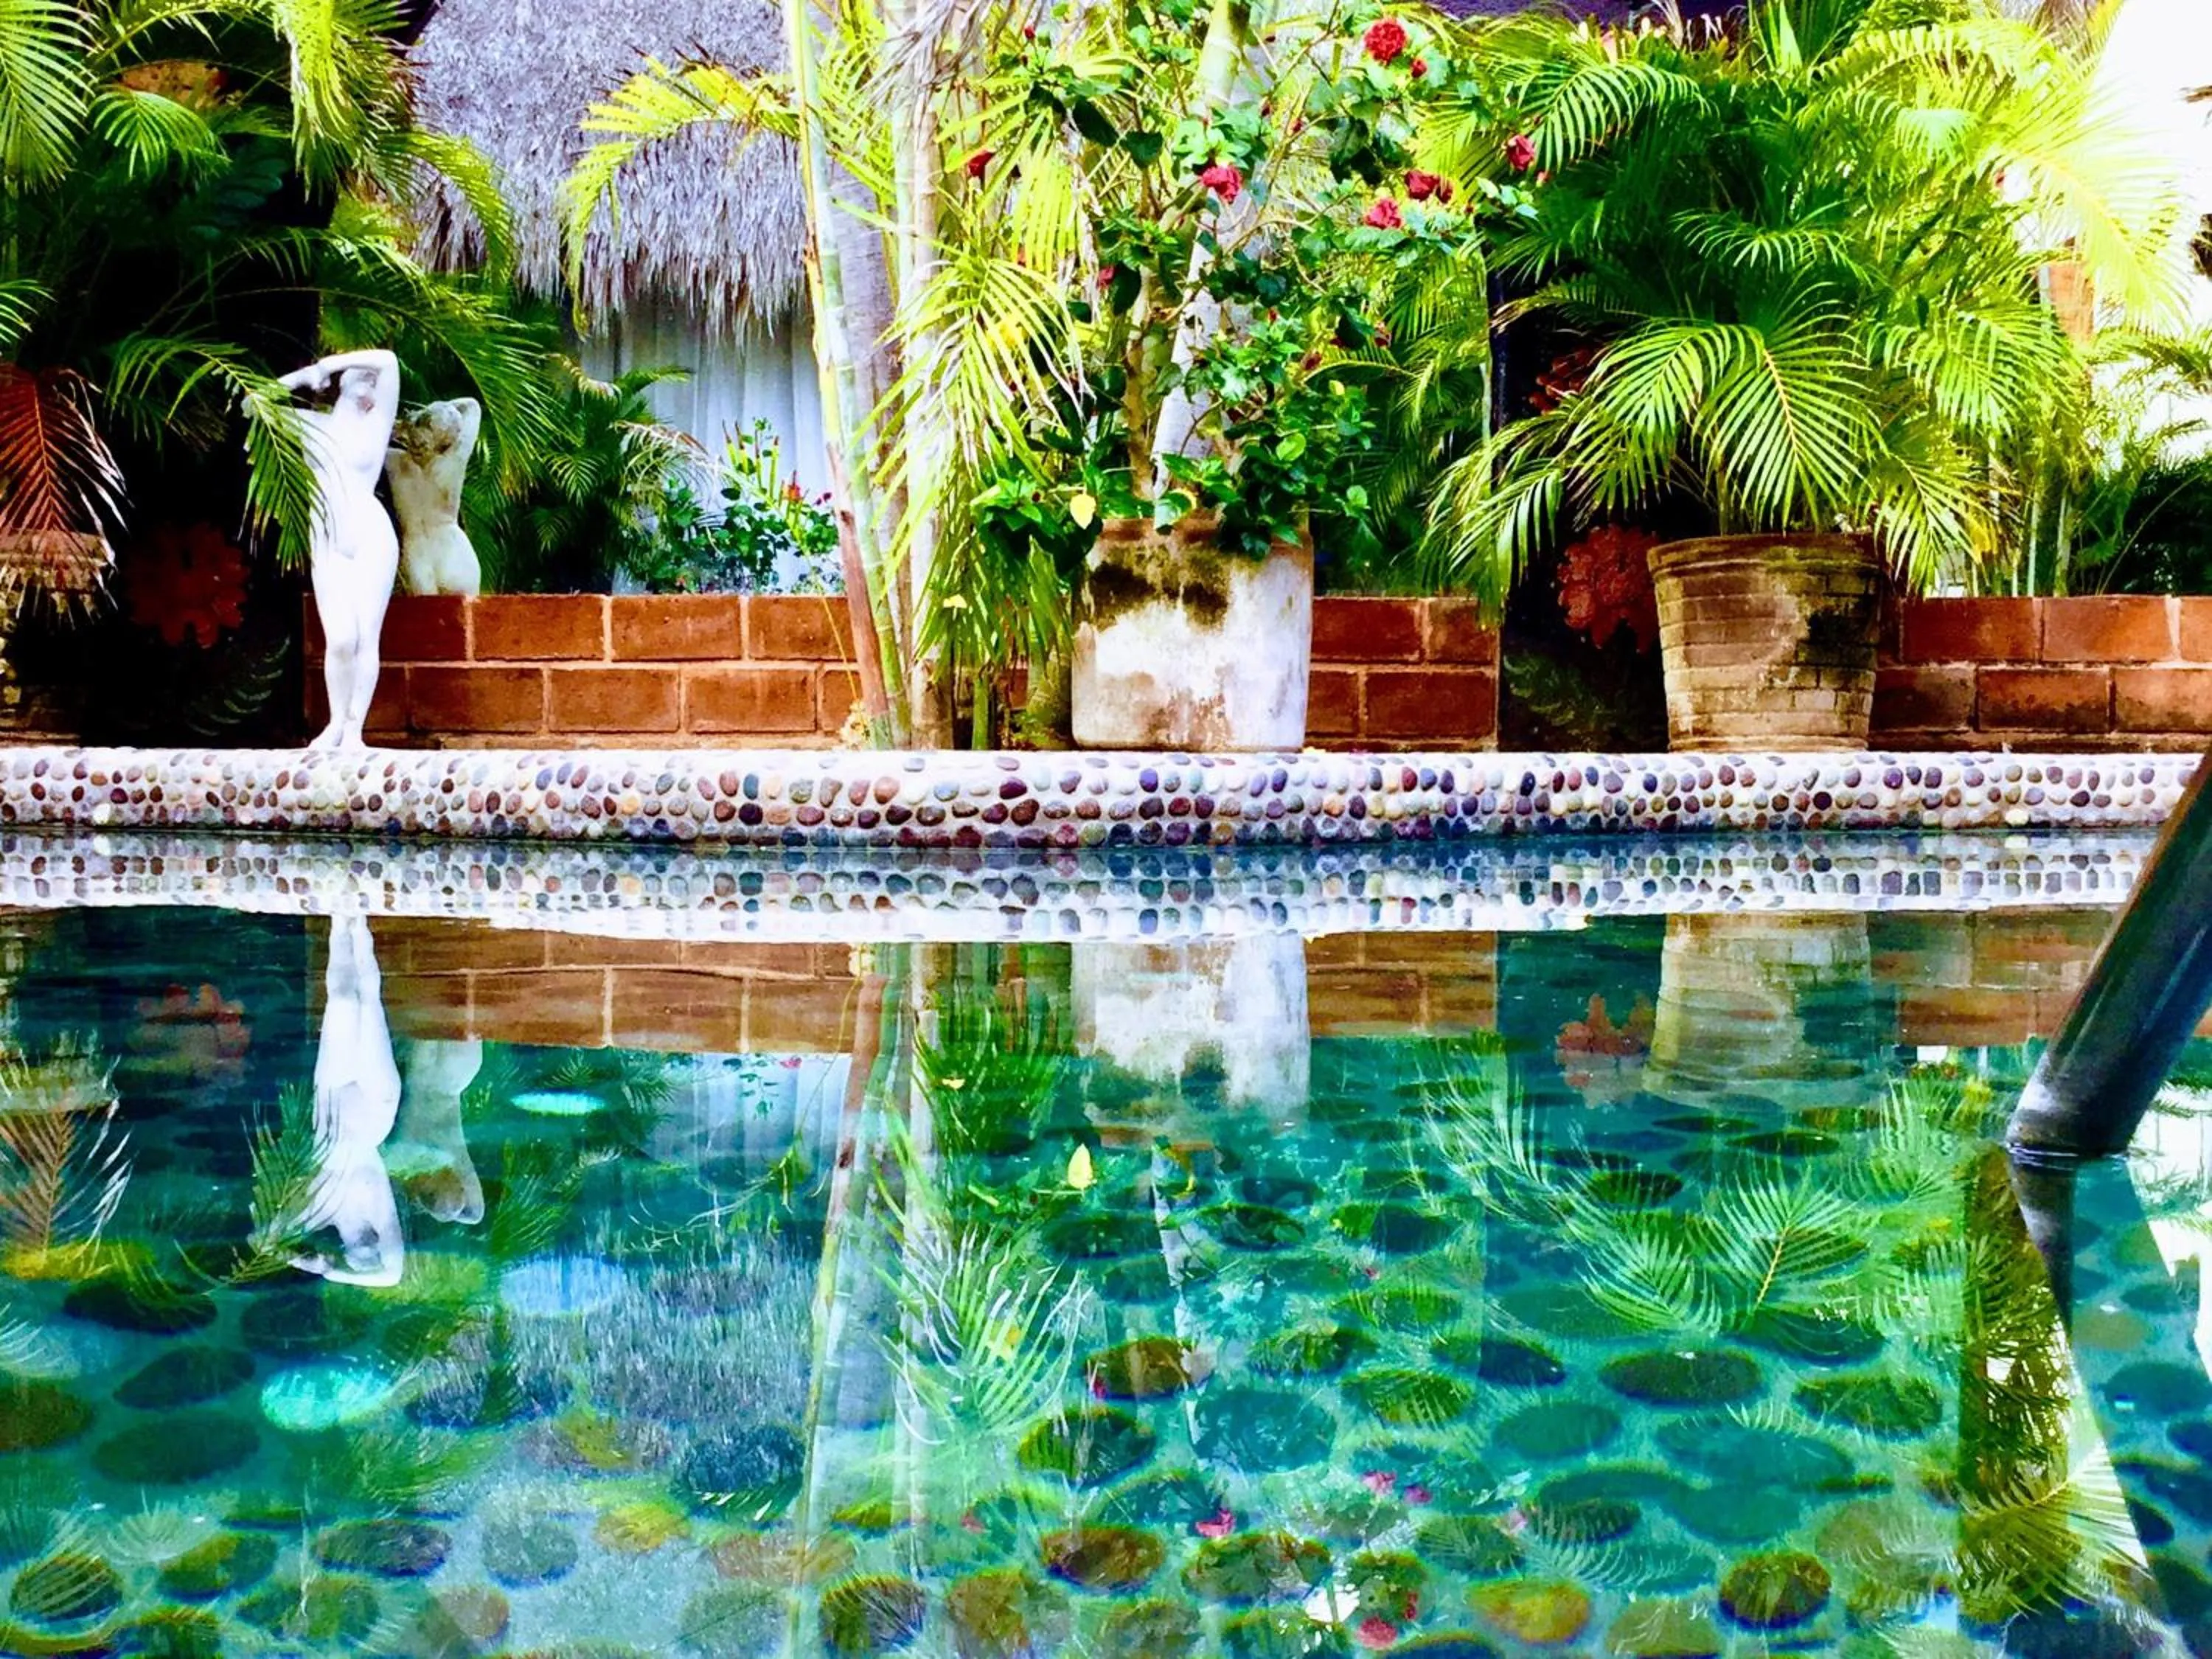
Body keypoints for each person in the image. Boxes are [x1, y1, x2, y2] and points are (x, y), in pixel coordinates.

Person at [279, 349, 400, 748]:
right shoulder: (310, 425)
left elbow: (388, 360)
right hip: (328, 536)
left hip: (370, 532)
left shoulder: (377, 427)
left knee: (367, 637)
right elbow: (254, 403)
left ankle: (353, 730)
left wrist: (326, 366)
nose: (370, 382)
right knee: (341, 639)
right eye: (360, 376)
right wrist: (303, 377)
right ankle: (335, 722)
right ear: (342, 386)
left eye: (372, 379)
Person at [293, 914, 405, 1287]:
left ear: (342, 1248)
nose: (369, 1255)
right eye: (372, 1258)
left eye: (358, 1259)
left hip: (332, 1107)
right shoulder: (382, 1215)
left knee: (341, 1001)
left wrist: (307, 1263)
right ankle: (360, 925)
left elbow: (261, 1239)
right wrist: (339, 1275)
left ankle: (340, 922)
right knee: (368, 1003)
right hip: (376, 1109)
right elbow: (392, 1277)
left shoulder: (318, 1211)